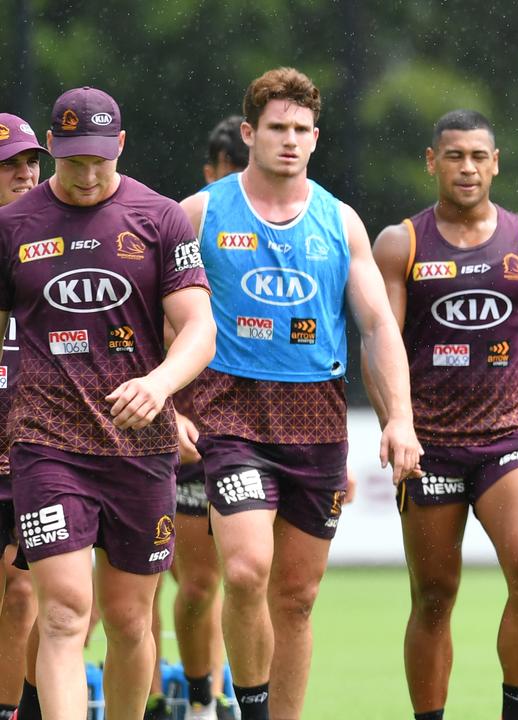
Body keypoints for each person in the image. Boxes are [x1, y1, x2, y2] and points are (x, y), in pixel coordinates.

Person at [178, 67, 421, 720]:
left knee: (296, 598)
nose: (289, 140)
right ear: (250, 133)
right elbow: (155, 316)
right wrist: (169, 403)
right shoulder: (199, 214)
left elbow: (376, 327)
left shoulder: (340, 222)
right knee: (249, 570)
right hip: (228, 418)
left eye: (301, 130)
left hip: (316, 423)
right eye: (277, 128)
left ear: (316, 138)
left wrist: (400, 420)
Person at [0, 86, 216, 720]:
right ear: (54, 149)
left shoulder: (160, 218)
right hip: (46, 444)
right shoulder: (12, 225)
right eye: (72, 161)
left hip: (140, 447)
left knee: (127, 622)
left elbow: (200, 327)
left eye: (100, 159)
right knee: (66, 613)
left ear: (120, 145)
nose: (88, 174)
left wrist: (161, 385)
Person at [367, 109, 518, 720]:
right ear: (432, 162)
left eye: (479, 155)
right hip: (431, 449)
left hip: (510, 439)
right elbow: (379, 344)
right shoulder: (401, 243)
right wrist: (395, 424)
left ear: (496, 162)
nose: (467, 167)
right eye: (454, 156)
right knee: (433, 599)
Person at [169, 114, 251, 720]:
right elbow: (154, 327)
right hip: (193, 428)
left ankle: (234, 700)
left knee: (252, 579)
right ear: (211, 173)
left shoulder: (293, 232)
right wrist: (169, 408)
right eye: (228, 173)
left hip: (264, 429)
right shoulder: (186, 222)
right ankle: (195, 700)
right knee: (195, 584)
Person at [0, 113, 46, 720]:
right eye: (10, 163)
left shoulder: (52, 243)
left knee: (22, 592)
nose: (25, 173)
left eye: (31, 161)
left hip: (36, 448)